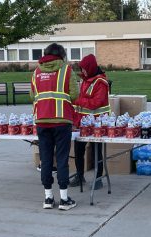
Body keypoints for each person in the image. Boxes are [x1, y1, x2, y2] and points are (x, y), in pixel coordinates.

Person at [30, 43, 78, 210]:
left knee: (46, 159)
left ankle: (48, 198)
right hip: (62, 120)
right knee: (63, 159)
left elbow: (32, 95)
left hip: (42, 120)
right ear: (62, 55)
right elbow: (75, 95)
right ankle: (64, 199)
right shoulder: (67, 70)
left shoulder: (36, 72)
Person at [69, 54, 111, 190]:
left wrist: (76, 100)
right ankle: (80, 175)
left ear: (91, 68)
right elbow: (82, 106)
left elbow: (94, 104)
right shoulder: (85, 80)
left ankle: (98, 178)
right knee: (79, 150)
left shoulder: (101, 83)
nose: (83, 72)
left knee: (96, 151)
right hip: (83, 123)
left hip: (98, 123)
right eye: (82, 69)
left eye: (85, 69)